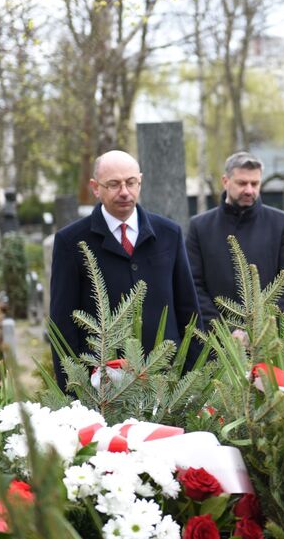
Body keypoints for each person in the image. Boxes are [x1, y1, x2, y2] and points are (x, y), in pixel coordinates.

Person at [49, 150, 201, 391]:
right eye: (113, 184)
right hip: (103, 389)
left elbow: (188, 310)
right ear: (95, 187)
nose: (124, 192)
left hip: (167, 382)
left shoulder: (169, 233)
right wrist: (73, 393)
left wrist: (193, 381)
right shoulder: (71, 242)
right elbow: (62, 323)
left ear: (140, 181)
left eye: (131, 183)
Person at [186, 152, 284, 326]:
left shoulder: (281, 223)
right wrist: (225, 331)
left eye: (255, 183)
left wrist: (260, 329)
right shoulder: (199, 226)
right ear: (225, 181)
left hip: (268, 336)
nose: (249, 190)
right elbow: (193, 284)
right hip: (214, 337)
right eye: (242, 183)